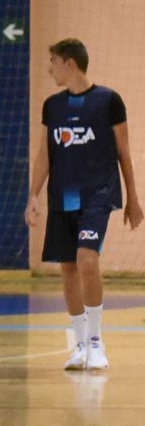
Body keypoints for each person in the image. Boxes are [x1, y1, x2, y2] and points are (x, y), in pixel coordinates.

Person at [26, 38, 142, 370]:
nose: (49, 68)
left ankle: (96, 342)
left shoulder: (109, 101)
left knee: (87, 261)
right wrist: (33, 195)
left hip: (98, 196)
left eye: (53, 61)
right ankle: (79, 345)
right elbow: (44, 155)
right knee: (68, 268)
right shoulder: (52, 106)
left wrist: (133, 198)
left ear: (70, 63)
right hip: (62, 197)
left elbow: (124, 153)